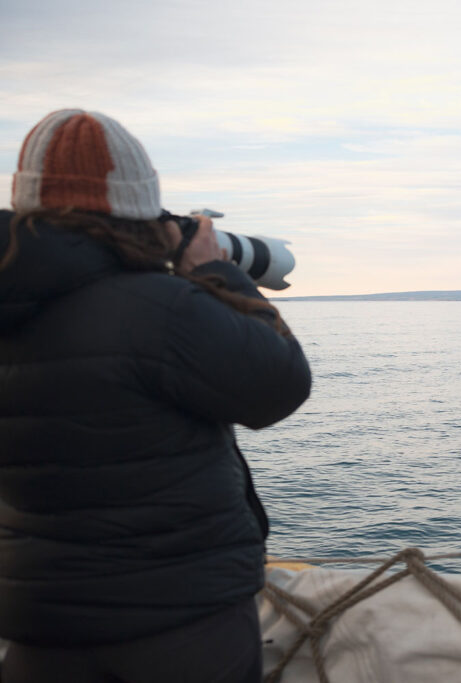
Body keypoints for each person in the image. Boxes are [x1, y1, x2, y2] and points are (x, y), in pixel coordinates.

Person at [0, 109, 312, 682]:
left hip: (36, 624)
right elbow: (280, 385)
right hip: (178, 623)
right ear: (140, 207)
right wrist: (218, 274)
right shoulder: (161, 309)